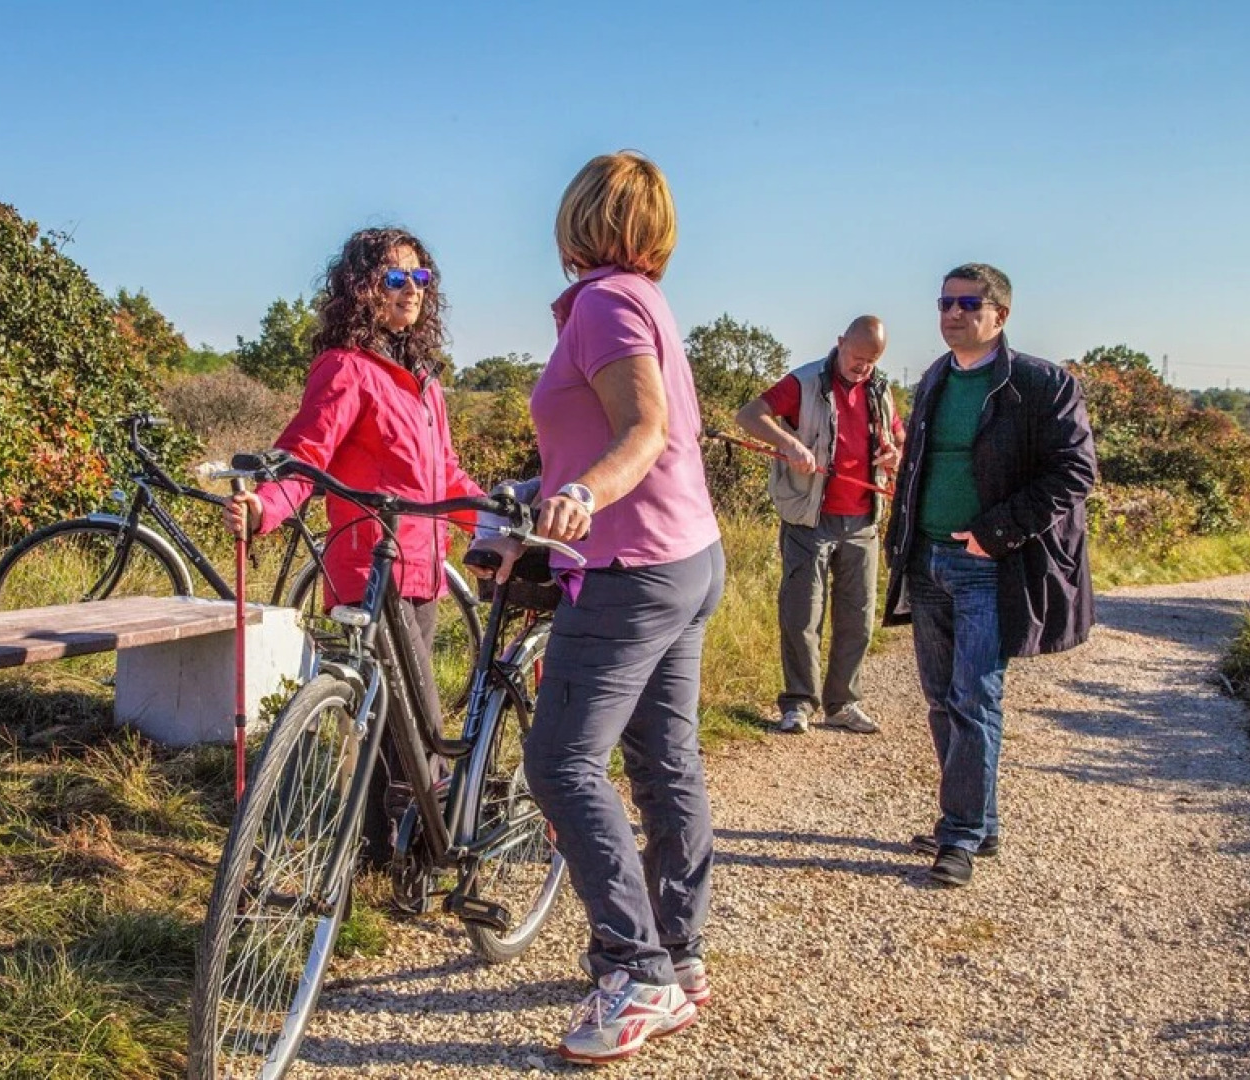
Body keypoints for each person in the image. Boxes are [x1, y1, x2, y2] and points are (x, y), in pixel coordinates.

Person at [481, 151, 723, 1066]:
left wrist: (580, 495)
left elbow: (641, 429)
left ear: (578, 217)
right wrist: (530, 500)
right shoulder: (641, 300)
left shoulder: (606, 302)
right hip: (686, 555)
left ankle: (634, 971)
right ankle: (679, 952)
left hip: (631, 567)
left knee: (561, 762)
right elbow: (621, 433)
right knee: (664, 759)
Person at [223, 227, 483, 867]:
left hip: (423, 572)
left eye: (420, 280)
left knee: (398, 723)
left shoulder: (423, 383)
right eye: (396, 279)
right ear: (361, 288)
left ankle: (380, 852)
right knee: (408, 722)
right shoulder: (346, 368)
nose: (412, 292)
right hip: (369, 571)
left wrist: (497, 523)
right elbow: (304, 457)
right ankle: (413, 848)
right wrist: (264, 507)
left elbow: (447, 476)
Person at [883, 263, 1096, 888]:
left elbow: (1075, 473)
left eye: (968, 303)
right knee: (941, 698)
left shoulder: (1040, 383)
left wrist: (995, 533)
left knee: (975, 696)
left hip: (988, 567)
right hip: (925, 561)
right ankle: (978, 819)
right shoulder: (934, 379)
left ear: (1000, 315)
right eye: (945, 302)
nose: (952, 313)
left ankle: (960, 835)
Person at [734, 316, 902, 735]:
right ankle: (798, 704)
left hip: (863, 518)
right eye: (857, 357)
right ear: (840, 342)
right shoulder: (804, 381)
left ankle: (843, 703)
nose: (862, 368)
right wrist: (788, 443)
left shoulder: (881, 390)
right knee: (801, 613)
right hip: (809, 517)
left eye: (871, 361)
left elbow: (898, 439)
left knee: (858, 617)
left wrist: (894, 455)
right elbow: (749, 415)